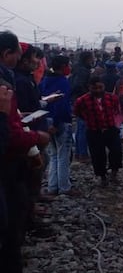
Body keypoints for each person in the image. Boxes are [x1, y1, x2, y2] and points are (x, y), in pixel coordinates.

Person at [0, 31, 50, 273]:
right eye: (19, 54)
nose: (24, 59)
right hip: (7, 164)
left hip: (11, 159)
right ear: (7, 54)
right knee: (8, 230)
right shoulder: (6, 84)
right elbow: (7, 131)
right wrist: (34, 141)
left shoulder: (11, 80)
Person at [74, 76, 123, 187]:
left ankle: (114, 173)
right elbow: (77, 113)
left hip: (111, 129)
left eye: (100, 87)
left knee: (116, 151)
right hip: (94, 131)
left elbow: (116, 110)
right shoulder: (82, 100)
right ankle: (103, 177)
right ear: (89, 87)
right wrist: (89, 120)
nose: (98, 90)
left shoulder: (112, 98)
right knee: (98, 155)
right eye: (94, 88)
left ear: (104, 86)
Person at [39, 55, 74, 195]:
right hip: (60, 122)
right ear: (63, 66)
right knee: (63, 155)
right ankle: (64, 187)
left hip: (45, 120)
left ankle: (53, 187)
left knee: (53, 154)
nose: (69, 67)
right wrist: (56, 122)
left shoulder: (45, 80)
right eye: (68, 64)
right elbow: (61, 105)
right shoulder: (62, 82)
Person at [70, 51, 94, 161]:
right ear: (87, 59)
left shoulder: (77, 68)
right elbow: (78, 85)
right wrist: (87, 95)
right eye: (91, 58)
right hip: (82, 101)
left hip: (77, 100)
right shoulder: (83, 71)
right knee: (83, 127)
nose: (93, 60)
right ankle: (83, 153)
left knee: (80, 127)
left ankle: (79, 153)